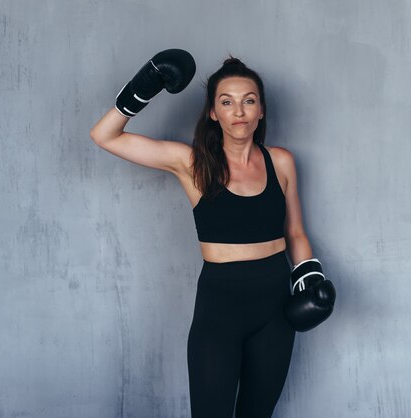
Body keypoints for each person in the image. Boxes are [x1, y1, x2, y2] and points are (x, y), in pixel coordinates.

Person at [90, 49, 334, 418]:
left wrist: (310, 276)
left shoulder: (280, 161)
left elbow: (296, 233)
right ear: (213, 112)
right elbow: (105, 136)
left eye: (248, 101)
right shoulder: (191, 164)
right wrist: (146, 84)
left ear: (261, 110)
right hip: (220, 308)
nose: (239, 112)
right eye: (227, 102)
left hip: (274, 308)